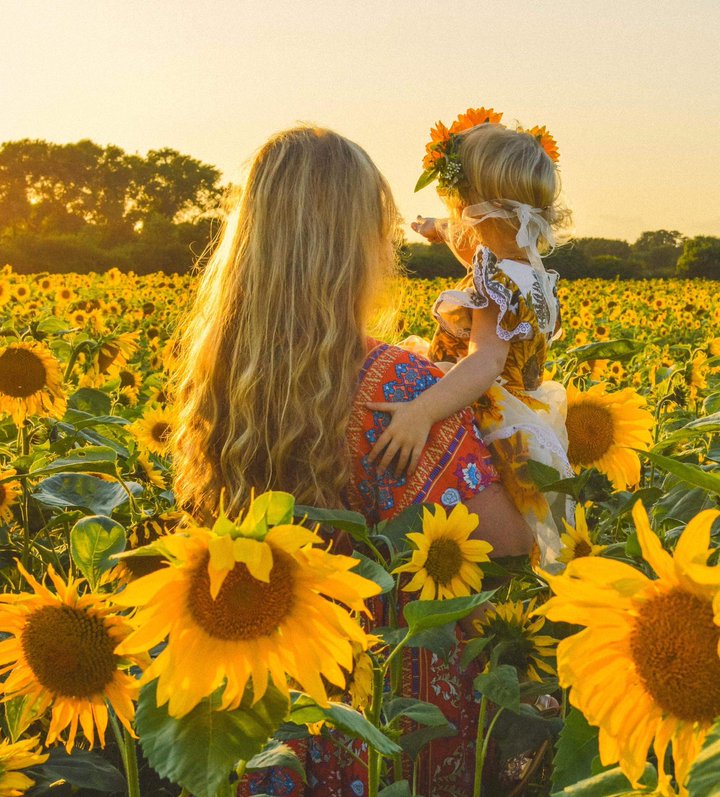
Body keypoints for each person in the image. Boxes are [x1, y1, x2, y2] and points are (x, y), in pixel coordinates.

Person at [171, 125, 533, 797]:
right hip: (395, 725)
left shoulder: (217, 382)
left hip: (272, 713)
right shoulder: (397, 387)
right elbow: (509, 549)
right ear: (352, 247)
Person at [366, 108, 574, 565]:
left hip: (480, 404)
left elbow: (484, 362)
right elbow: (469, 238)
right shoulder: (530, 270)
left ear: (476, 215)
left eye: (454, 212)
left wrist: (422, 410)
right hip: (527, 404)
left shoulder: (494, 280)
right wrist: (433, 230)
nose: (450, 222)